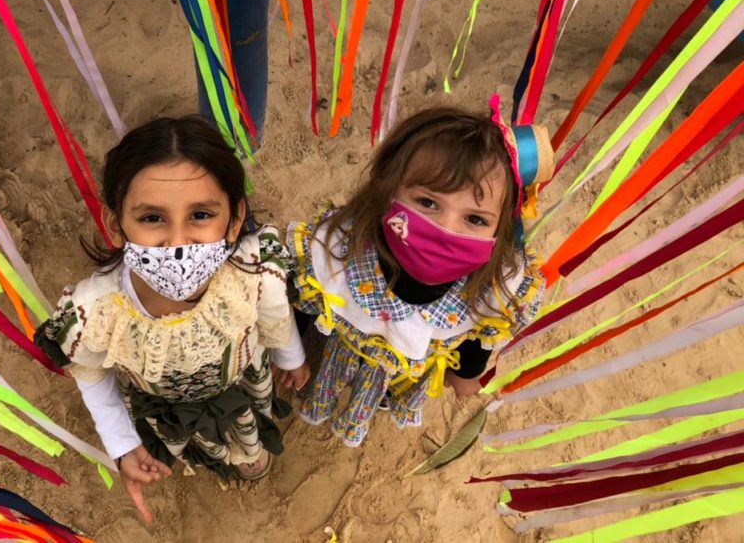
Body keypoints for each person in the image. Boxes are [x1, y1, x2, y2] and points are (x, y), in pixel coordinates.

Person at [34, 115, 309, 523]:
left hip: (240, 382)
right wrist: (123, 444)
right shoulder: (97, 311)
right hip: (168, 407)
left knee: (248, 425)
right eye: (152, 218)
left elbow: (275, 317)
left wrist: (291, 357)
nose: (177, 243)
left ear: (234, 221)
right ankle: (219, 457)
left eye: (200, 215)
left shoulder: (253, 273)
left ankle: (249, 456)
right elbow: (92, 377)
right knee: (197, 440)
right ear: (116, 226)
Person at [287, 102, 553, 447]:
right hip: (340, 349)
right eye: (428, 203)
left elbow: (477, 333)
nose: (444, 228)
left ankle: (383, 395)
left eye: (475, 219)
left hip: (408, 368)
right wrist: (291, 353)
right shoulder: (339, 248)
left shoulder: (494, 286)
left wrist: (466, 375)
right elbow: (306, 299)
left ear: (500, 229)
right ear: (388, 189)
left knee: (389, 385)